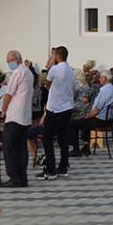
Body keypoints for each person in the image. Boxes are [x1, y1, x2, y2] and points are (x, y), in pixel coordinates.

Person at [38, 46, 75, 180]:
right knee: (63, 139)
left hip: (55, 108)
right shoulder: (71, 70)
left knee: (47, 138)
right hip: (67, 108)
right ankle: (63, 167)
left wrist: (46, 82)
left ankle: (50, 168)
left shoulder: (54, 69)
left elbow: (46, 83)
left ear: (57, 56)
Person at [1, 49, 34, 188]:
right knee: (21, 148)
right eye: (8, 61)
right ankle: (22, 177)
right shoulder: (29, 72)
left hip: (15, 115)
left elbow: (8, 94)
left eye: (11, 60)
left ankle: (14, 177)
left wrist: (3, 109)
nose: (9, 63)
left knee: (9, 148)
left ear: (18, 59)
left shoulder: (17, 73)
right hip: (25, 115)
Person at [70, 70, 113, 157]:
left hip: (101, 120)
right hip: (109, 120)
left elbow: (96, 110)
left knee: (72, 123)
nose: (99, 79)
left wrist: (86, 116)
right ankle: (86, 147)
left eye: (100, 78)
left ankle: (76, 150)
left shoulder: (104, 91)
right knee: (85, 122)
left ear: (104, 78)